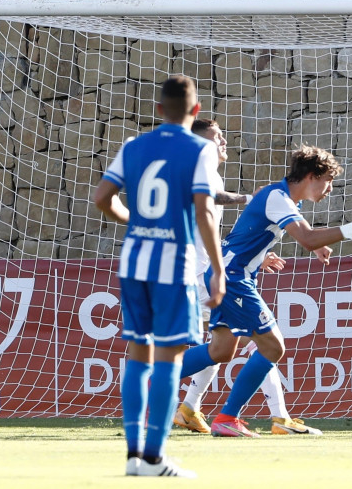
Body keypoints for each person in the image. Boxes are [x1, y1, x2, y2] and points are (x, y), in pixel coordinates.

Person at [178, 143, 352, 437]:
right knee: (273, 346)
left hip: (228, 275)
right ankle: (227, 417)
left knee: (222, 350)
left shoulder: (282, 198)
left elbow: (251, 236)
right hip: (233, 278)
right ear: (312, 176)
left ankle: (153, 380)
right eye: (328, 180)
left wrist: (280, 253)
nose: (329, 188)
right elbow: (307, 238)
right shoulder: (277, 197)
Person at [93, 75, 223, 477]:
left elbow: (102, 198)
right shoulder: (199, 149)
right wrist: (218, 269)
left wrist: (133, 220)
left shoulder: (133, 146)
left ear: (158, 110)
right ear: (195, 111)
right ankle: (153, 457)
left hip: (133, 262)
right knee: (170, 358)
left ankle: (134, 455)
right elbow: (203, 211)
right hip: (174, 265)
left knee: (137, 354)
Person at [173, 119, 322, 436]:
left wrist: (250, 254)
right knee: (261, 343)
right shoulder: (198, 169)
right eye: (217, 136)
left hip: (208, 270)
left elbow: (211, 229)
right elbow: (211, 197)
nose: (224, 140)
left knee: (223, 347)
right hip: (198, 275)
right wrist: (246, 199)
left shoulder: (202, 169)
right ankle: (274, 418)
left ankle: (187, 407)